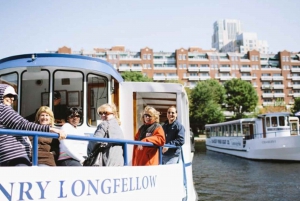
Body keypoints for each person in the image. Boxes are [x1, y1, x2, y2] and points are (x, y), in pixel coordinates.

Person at [0, 84, 65, 166]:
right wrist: (51, 129)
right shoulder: (3, 108)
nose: (12, 99)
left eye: (14, 97)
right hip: (14, 156)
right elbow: (23, 124)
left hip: (11, 156)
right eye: (9, 95)